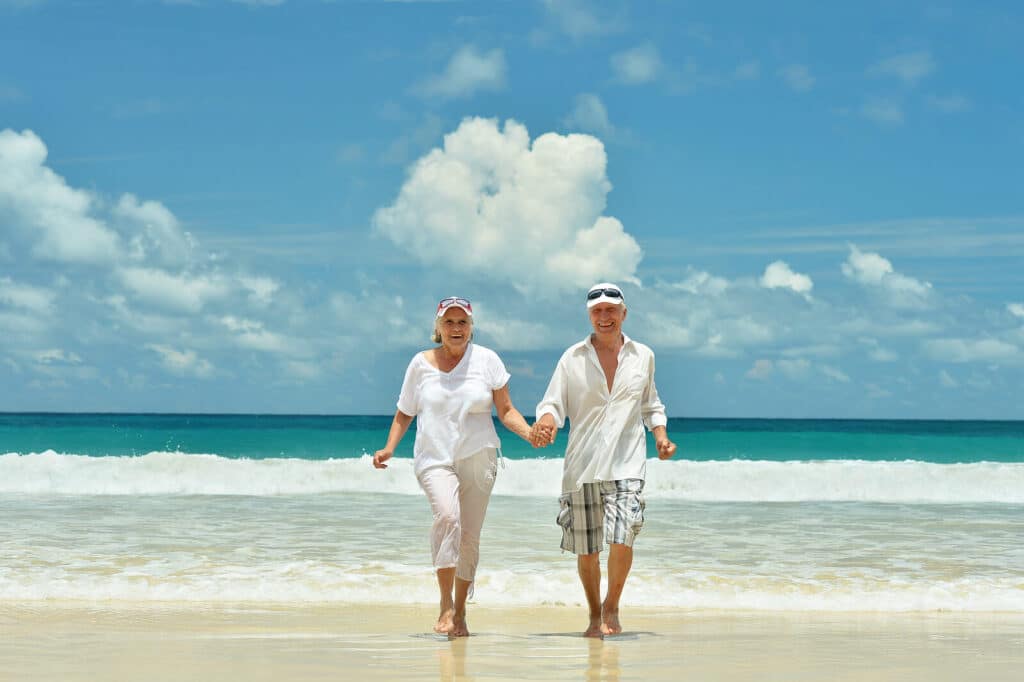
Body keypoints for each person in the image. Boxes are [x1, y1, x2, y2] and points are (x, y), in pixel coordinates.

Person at [373, 296, 534, 638]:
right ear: (438, 327)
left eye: (463, 322)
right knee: (448, 518)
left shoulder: (487, 360)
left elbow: (505, 410)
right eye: (449, 322)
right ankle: (445, 602)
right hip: (434, 458)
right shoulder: (420, 364)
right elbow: (405, 411)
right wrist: (389, 448)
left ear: (471, 327)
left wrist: (530, 433)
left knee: (469, 537)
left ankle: (460, 613)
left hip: (479, 456)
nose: (456, 328)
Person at [530, 282, 677, 637]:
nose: (604, 316)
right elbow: (553, 403)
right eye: (597, 311)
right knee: (588, 550)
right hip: (581, 468)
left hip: (627, 462)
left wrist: (661, 436)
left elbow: (650, 404)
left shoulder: (644, 356)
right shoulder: (572, 358)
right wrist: (547, 422)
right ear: (589, 316)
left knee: (623, 536)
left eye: (611, 310)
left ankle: (612, 607)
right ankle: (594, 614)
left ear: (624, 313)